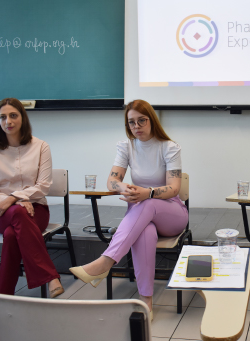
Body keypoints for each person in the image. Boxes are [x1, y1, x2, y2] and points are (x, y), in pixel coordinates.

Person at [70, 99, 188, 316]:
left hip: (171, 213)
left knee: (149, 202)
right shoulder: (126, 147)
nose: (136, 126)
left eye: (141, 120)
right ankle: (146, 303)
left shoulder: (169, 148)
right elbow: (111, 182)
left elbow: (174, 188)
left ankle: (105, 262)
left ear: (152, 120)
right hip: (142, 216)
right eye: (131, 122)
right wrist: (125, 187)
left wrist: (147, 193)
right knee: (145, 233)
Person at [0, 98, 63, 298]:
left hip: (36, 210)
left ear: (22, 118)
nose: (8, 121)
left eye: (13, 115)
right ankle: (50, 277)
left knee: (11, 235)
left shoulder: (41, 147)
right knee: (17, 212)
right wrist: (14, 201)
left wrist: (14, 198)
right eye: (3, 117)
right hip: (1, 211)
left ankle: (2, 295)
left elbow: (43, 186)